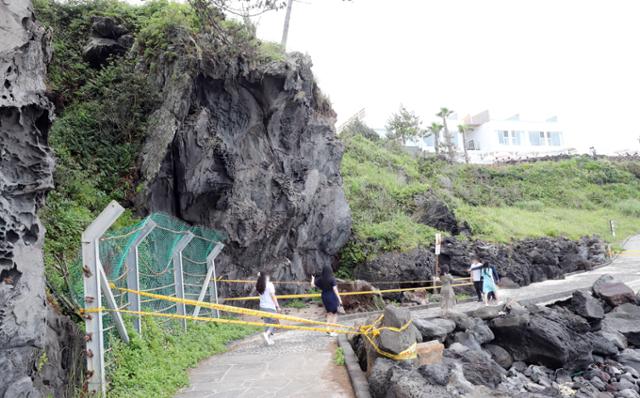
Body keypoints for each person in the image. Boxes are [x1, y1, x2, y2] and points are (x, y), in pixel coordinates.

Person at [311, 265, 342, 337]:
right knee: (335, 314)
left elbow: (312, 285)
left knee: (329, 313)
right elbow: (335, 290)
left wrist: (312, 278)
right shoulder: (332, 278)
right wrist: (340, 299)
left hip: (324, 296)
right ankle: (333, 331)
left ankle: (327, 328)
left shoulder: (320, 279)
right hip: (332, 297)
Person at [256, 271, 280, 345]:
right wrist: (277, 306)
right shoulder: (269, 285)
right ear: (266, 277)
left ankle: (267, 339)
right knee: (274, 322)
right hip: (270, 307)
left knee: (267, 323)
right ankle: (266, 335)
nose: (269, 277)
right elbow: (273, 296)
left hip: (262, 307)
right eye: (268, 276)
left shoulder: (258, 285)